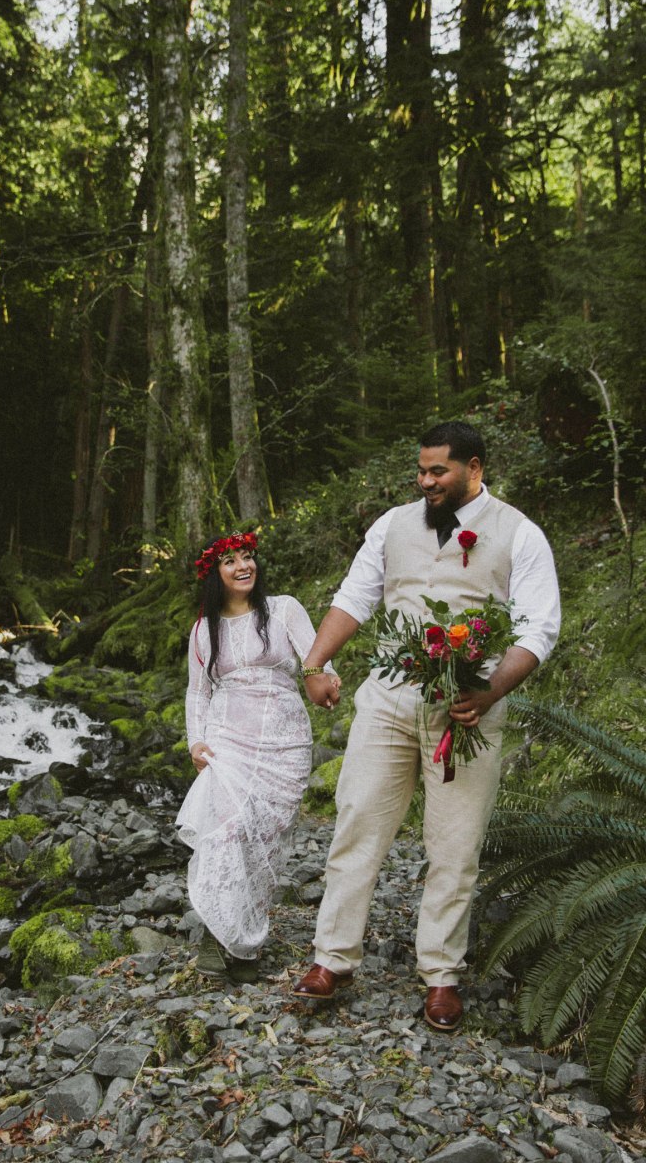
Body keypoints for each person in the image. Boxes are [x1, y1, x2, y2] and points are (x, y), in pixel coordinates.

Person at [294, 421, 560, 1030]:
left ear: (475, 468)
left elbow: (539, 627)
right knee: (357, 820)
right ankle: (332, 958)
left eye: (438, 471)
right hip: (388, 698)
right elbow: (355, 597)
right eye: (421, 470)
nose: (425, 481)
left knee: (455, 844)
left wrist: (491, 692)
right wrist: (314, 661)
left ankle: (440, 974)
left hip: (470, 705)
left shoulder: (521, 534)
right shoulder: (391, 525)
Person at [177, 530, 340, 983]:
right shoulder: (202, 630)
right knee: (226, 830)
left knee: (263, 840)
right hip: (228, 738)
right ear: (216, 573)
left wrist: (327, 679)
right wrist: (196, 741)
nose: (243, 566)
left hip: (284, 740)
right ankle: (215, 934)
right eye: (231, 561)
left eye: (248, 557)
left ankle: (245, 940)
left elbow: (315, 660)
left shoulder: (284, 609)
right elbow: (198, 691)